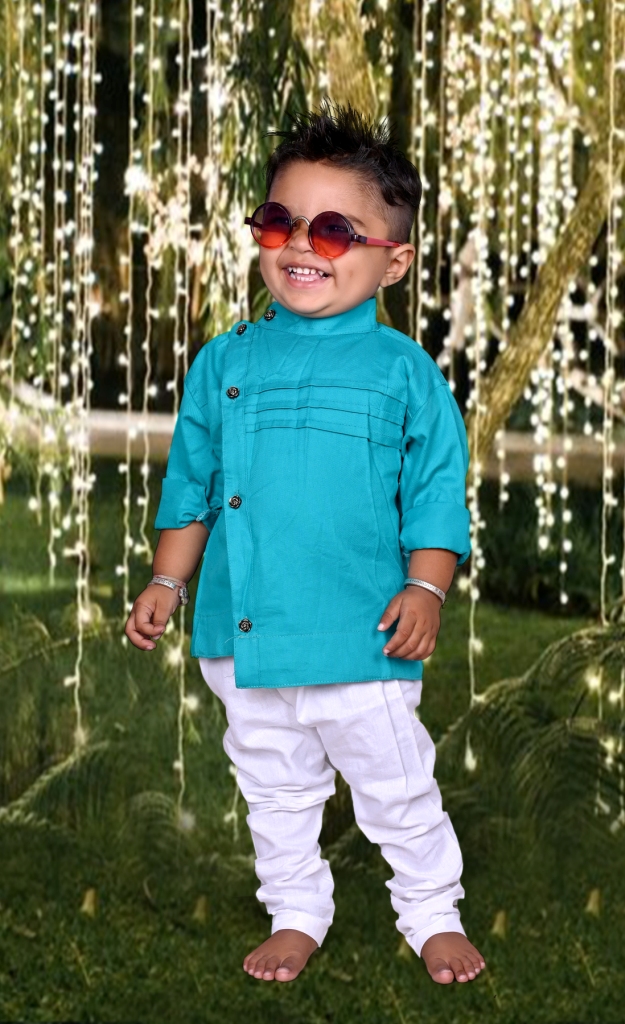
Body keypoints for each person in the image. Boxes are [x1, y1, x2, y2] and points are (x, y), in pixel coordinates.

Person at [125, 100, 486, 987]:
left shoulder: (404, 372)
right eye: (279, 222)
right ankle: (295, 909)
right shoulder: (223, 362)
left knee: (395, 786)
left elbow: (434, 493)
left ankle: (431, 910)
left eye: (333, 232)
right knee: (275, 788)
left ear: (392, 260)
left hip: (360, 636)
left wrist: (426, 588)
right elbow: (193, 484)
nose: (299, 246)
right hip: (243, 635)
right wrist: (168, 582)